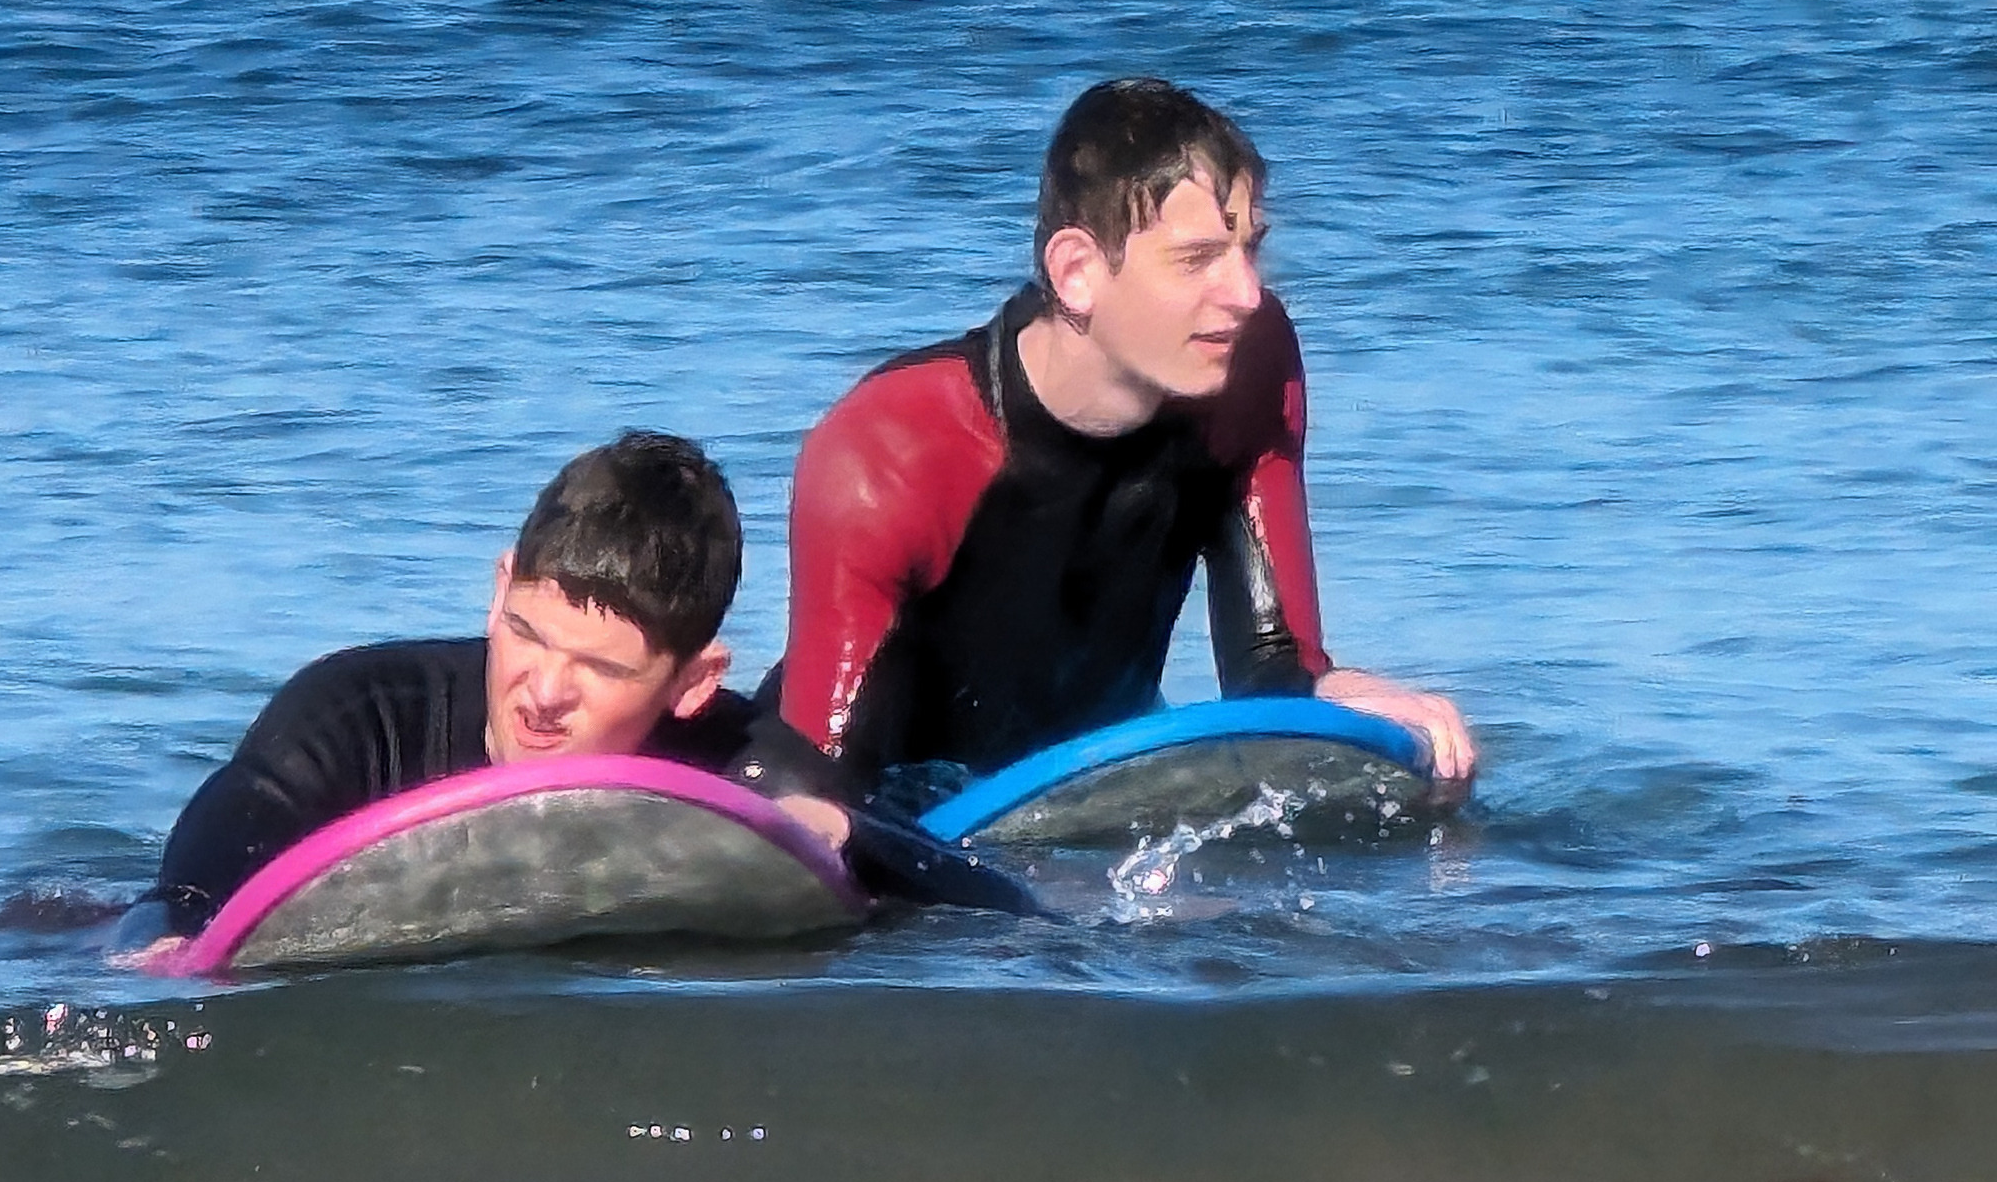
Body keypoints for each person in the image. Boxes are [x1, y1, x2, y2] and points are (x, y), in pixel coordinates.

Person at [774, 78, 1476, 794]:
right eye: (1197, 258)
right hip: (871, 788)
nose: (1247, 294)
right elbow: (814, 788)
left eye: (1249, 249)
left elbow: (1275, 667)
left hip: (1074, 788)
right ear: (1077, 273)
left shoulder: (1251, 367)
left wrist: (1340, 695)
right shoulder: (891, 450)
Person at [122, 430, 1026, 954]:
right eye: (525, 632)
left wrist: (847, 835)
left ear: (693, 682)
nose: (542, 692)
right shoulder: (365, 714)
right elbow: (218, 843)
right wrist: (176, 930)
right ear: (499, 589)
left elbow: (996, 905)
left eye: (601, 669)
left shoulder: (741, 769)